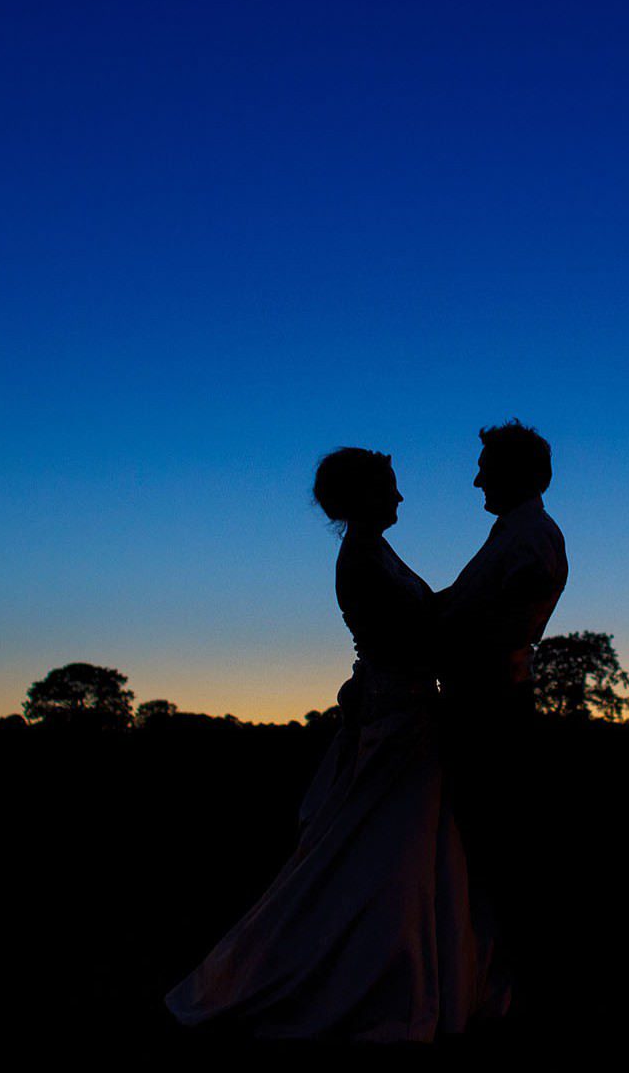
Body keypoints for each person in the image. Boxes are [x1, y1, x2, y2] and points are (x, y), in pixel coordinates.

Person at [164, 447, 508, 1044]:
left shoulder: (374, 551)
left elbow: (423, 616)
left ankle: (419, 972)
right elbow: (418, 639)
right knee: (384, 854)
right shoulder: (362, 561)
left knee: (402, 848)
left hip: (405, 715)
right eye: (392, 488)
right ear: (366, 496)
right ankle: (377, 979)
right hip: (399, 720)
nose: (401, 498)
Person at [435, 420, 569, 976]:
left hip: (492, 712)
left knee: (493, 847)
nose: (475, 482)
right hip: (480, 705)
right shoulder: (512, 534)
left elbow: (497, 626)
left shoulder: (531, 541)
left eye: (485, 471)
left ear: (519, 475)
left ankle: (501, 969)